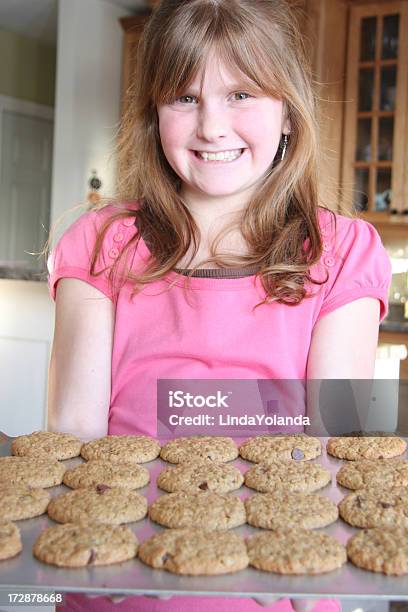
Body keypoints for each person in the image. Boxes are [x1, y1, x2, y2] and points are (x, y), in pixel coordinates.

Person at [47, 0, 391, 610]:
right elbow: (75, 431)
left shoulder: (342, 252)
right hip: (115, 582)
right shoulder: (101, 245)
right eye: (184, 97)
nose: (211, 126)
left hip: (279, 584)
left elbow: (336, 439)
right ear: (154, 114)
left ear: (288, 112)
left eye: (242, 95)